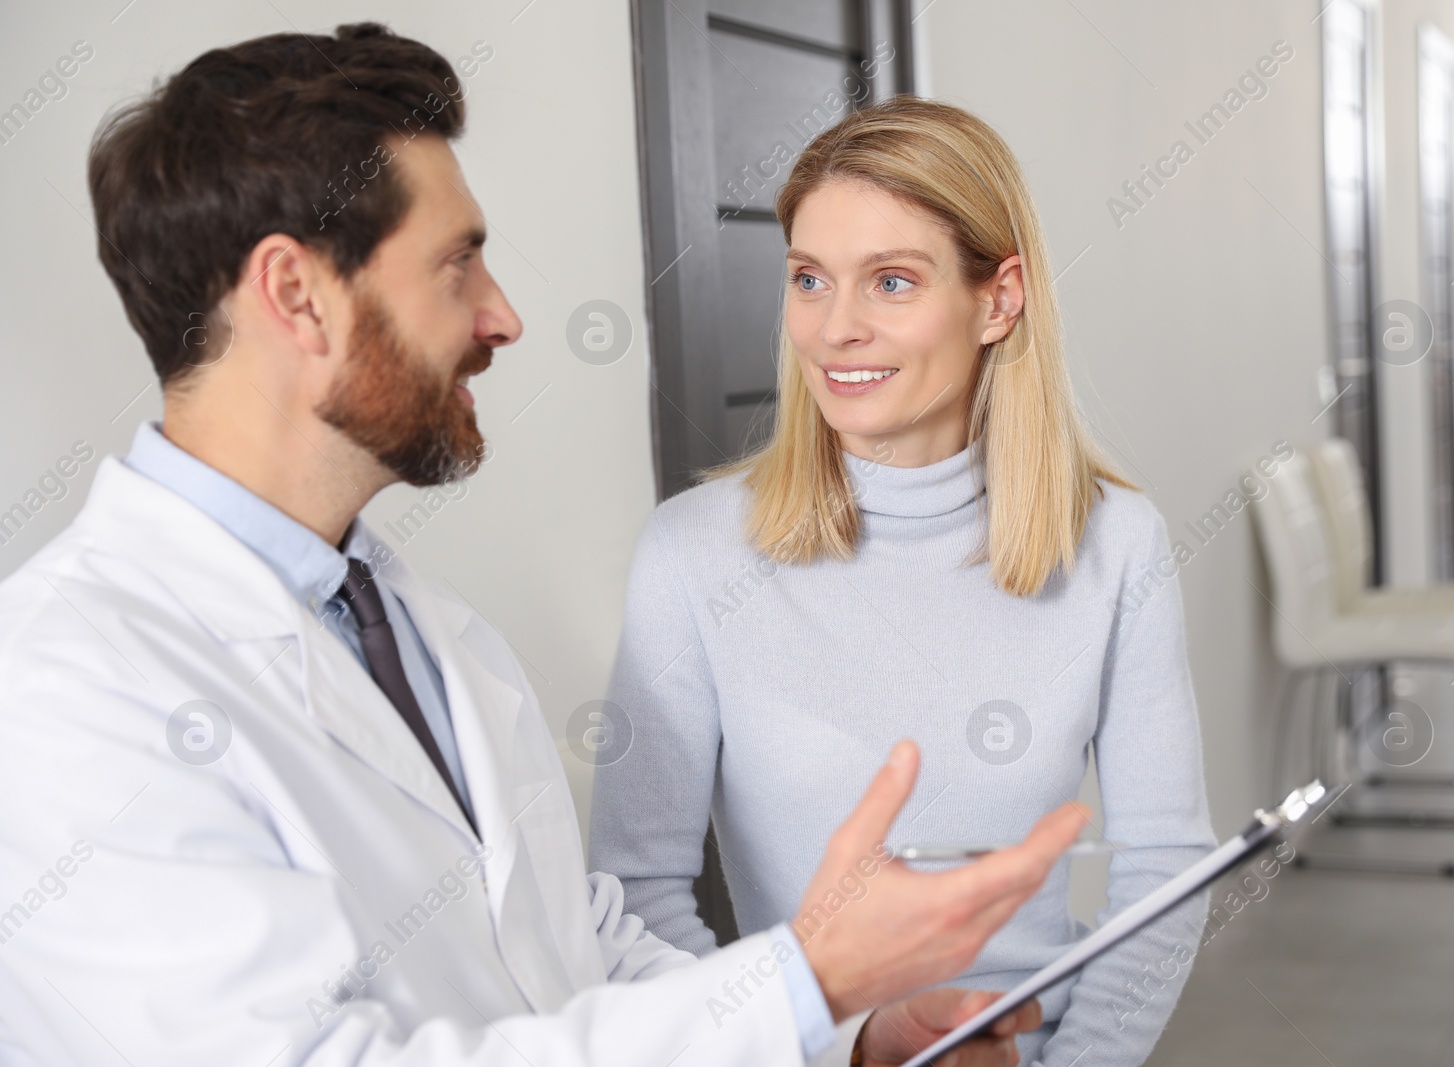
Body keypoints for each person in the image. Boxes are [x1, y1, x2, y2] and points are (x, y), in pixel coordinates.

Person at [0, 26, 1091, 1067]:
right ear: (298, 294)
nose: (503, 316)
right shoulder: (64, 688)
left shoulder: (415, 627)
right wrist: (800, 984)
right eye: (457, 264)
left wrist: (844, 1036)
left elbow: (583, 955)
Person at [590, 98, 1216, 1066]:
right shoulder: (692, 554)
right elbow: (636, 894)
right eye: (808, 278)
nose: (834, 328)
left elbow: (1164, 867)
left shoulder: (1116, 546)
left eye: (889, 281)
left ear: (998, 299)